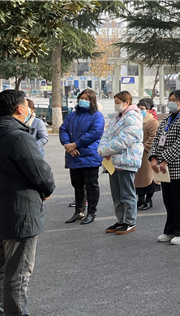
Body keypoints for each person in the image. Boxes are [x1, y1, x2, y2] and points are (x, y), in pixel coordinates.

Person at [0, 90, 56, 316]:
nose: (28, 108)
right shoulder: (18, 136)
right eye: (26, 104)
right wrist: (46, 190)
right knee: (19, 271)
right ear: (20, 109)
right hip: (20, 212)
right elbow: (40, 172)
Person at [150, 89, 180, 245]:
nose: (170, 102)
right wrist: (153, 157)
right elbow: (157, 138)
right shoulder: (167, 118)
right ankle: (171, 230)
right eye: (169, 99)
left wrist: (164, 160)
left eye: (173, 100)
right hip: (164, 167)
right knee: (169, 200)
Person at [98, 91, 143, 235]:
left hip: (126, 160)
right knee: (116, 194)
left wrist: (105, 150)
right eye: (115, 102)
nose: (116, 105)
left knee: (127, 193)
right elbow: (107, 134)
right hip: (113, 161)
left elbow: (126, 139)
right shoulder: (117, 117)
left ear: (127, 102)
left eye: (118, 102)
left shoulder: (133, 116)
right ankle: (121, 220)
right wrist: (102, 149)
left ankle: (130, 221)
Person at [60, 89, 104, 225]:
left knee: (91, 185)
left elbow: (95, 133)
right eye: (81, 97)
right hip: (73, 156)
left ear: (92, 101)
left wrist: (76, 144)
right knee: (77, 185)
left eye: (87, 98)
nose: (83, 100)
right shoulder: (72, 115)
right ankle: (78, 211)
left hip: (89, 155)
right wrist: (68, 144)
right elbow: (63, 129)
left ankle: (91, 212)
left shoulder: (97, 116)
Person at [136, 98, 159, 211]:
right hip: (137, 154)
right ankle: (140, 199)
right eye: (138, 108)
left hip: (147, 154)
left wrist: (143, 147)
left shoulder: (152, 121)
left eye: (143, 109)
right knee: (139, 179)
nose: (140, 111)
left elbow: (154, 137)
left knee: (149, 178)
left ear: (149, 110)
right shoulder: (136, 121)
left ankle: (148, 200)